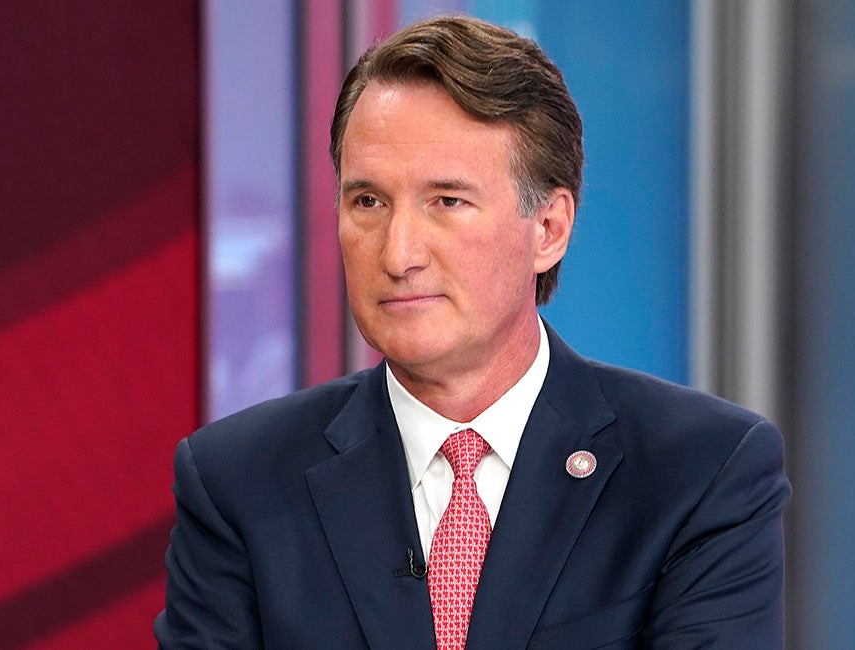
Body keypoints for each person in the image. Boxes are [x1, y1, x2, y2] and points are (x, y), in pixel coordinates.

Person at [155, 14, 790, 649]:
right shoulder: (237, 484)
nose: (399, 254)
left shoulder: (700, 472)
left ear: (548, 229)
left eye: (447, 201)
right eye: (368, 201)